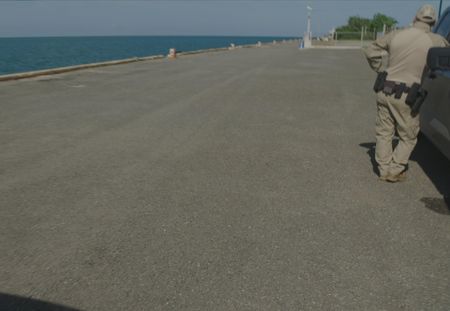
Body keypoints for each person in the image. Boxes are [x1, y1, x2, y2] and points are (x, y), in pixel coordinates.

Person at [364, 5, 448, 182]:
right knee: (408, 136)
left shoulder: (396, 34)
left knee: (384, 132)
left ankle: (383, 169)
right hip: (407, 97)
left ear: (415, 17)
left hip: (384, 90)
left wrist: (380, 69)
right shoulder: (437, 40)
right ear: (433, 22)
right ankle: (395, 170)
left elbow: (371, 50)